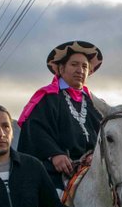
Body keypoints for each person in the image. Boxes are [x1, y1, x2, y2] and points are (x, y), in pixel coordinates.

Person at [17, 40, 104, 191]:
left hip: (92, 168)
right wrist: (54, 153)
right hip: (55, 169)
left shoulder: (94, 103)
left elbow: (104, 133)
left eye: (84, 66)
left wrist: (96, 155)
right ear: (61, 68)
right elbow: (35, 129)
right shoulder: (47, 97)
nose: (80, 70)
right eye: (74, 64)